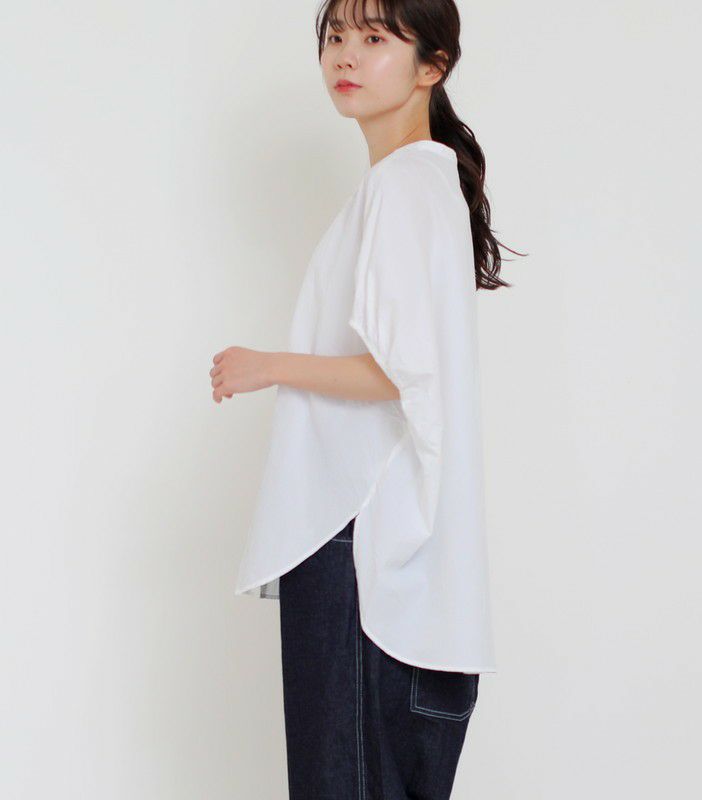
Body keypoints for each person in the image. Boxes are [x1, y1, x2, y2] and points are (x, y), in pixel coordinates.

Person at [209, 1, 523, 797]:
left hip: (365, 557)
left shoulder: (405, 185)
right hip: (396, 571)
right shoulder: (420, 183)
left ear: (432, 65)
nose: (346, 55)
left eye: (375, 38)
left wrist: (269, 366)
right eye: (336, 37)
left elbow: (400, 373)